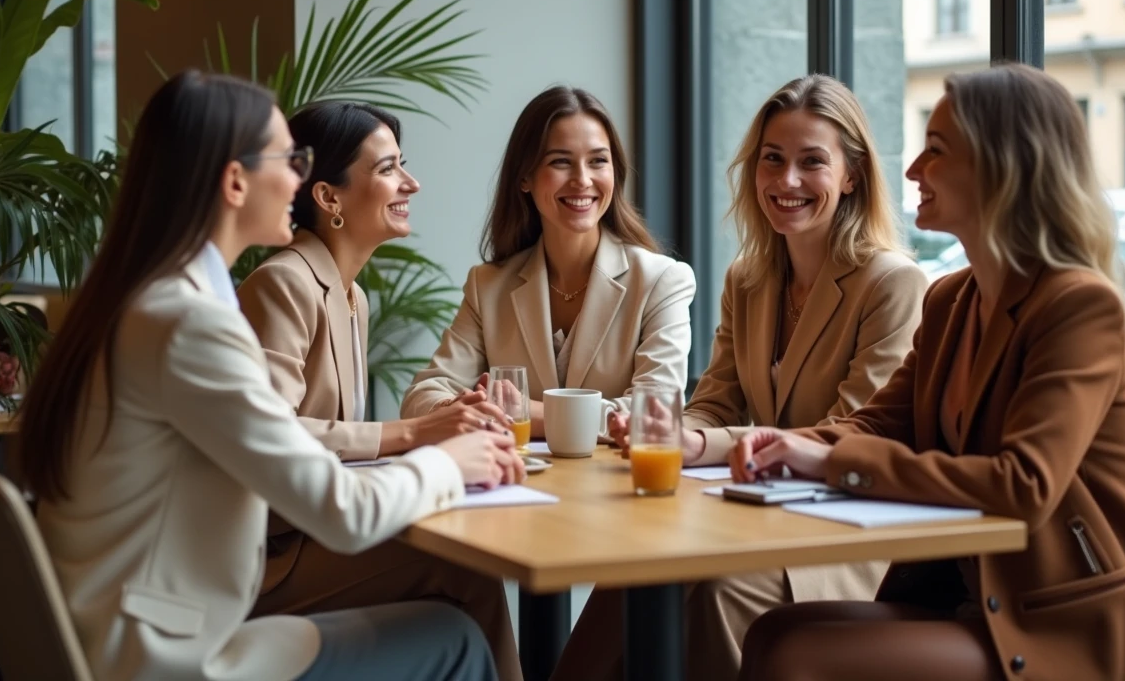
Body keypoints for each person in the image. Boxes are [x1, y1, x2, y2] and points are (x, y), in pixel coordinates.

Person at [17, 71, 523, 681]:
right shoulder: (190, 324)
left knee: (449, 620)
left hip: (123, 625)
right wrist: (451, 461)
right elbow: (342, 511)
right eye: (289, 159)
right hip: (164, 654)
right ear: (235, 181)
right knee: (455, 641)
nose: (298, 178)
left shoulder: (144, 300)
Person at [730, 63, 1125, 681]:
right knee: (774, 633)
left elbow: (1024, 488)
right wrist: (790, 445)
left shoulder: (1078, 306)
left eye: (935, 152)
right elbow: (881, 424)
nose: (910, 172)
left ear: (1001, 167)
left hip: (1061, 625)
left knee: (795, 654)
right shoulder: (951, 299)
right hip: (970, 599)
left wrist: (826, 461)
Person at [553, 74, 927, 681]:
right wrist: (661, 428)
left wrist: (696, 444)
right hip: (761, 514)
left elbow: (847, 434)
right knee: (636, 567)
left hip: (847, 535)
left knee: (718, 588)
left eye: (813, 163)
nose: (787, 181)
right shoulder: (749, 279)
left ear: (852, 175)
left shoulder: (891, 284)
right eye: (772, 160)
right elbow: (714, 403)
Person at [237, 100, 521, 679]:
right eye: (389, 168)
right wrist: (414, 432)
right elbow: (268, 436)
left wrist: (445, 430)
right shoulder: (283, 284)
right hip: (266, 562)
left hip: (312, 537)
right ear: (328, 197)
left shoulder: (351, 297)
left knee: (458, 579)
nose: (410, 182)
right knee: (464, 568)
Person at [400, 86, 696, 434]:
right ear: (524, 177)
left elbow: (653, 414)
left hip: (618, 485)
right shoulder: (488, 286)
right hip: (514, 482)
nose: (582, 180)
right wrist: (462, 409)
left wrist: (521, 410)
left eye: (598, 161)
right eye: (560, 162)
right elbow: (422, 397)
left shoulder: (662, 281)